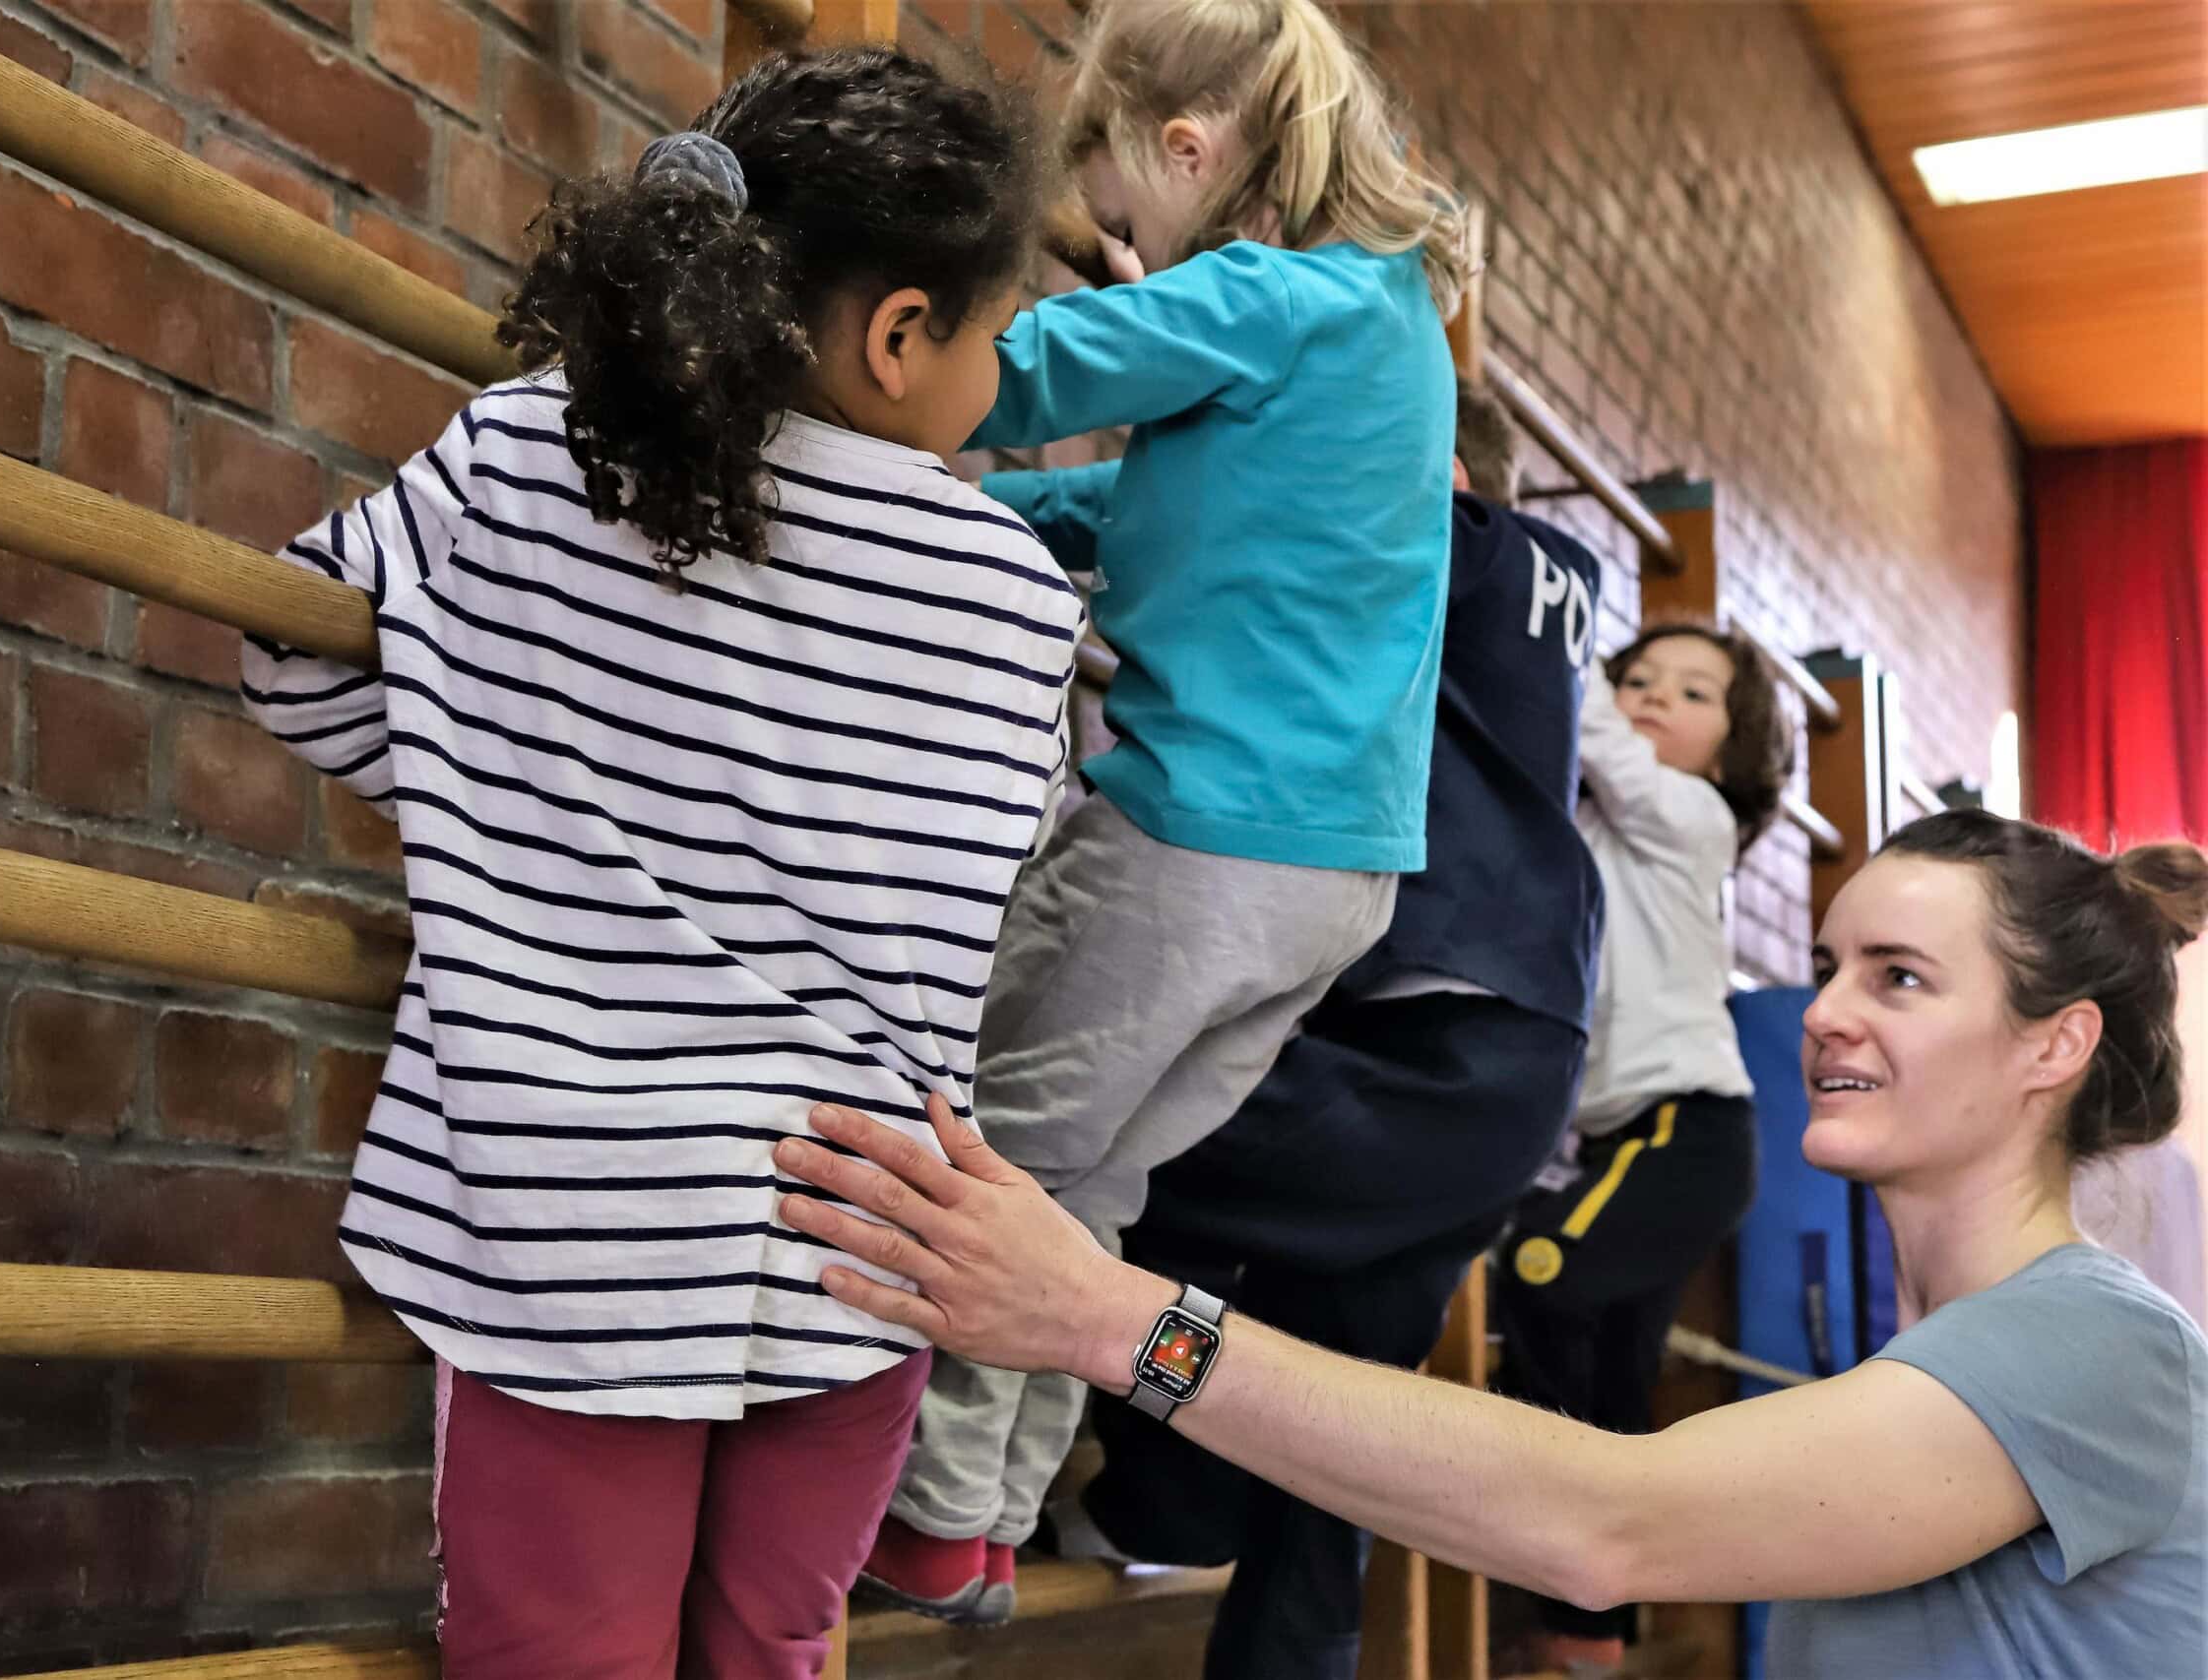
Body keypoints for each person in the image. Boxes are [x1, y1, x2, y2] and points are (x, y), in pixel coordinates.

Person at [240, 49, 1074, 1680]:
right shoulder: (1017, 591)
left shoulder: (527, 454)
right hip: (867, 1244)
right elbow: (1008, 839)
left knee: (564, 1655)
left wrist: (502, 791)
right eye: (1002, 329)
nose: (1005, 364)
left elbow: (294, 656)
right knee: (774, 1645)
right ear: (901, 337)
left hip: (577, 1230)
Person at [780, 811, 2208, 1678]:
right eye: (1830, 962)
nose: (1829, 1008)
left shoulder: (2096, 1341)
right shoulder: (1959, 1359)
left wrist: (1105, 1316)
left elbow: (1606, 1520)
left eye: (1899, 976)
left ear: (2054, 1043)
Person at [863, 0, 1471, 1622]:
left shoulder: (1264, 297)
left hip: (1199, 844)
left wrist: (870, 345)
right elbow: (1161, 502)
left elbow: (1026, 370)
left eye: (1124, 216)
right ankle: (985, 1519)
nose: (1126, 248)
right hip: (1332, 877)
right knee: (1096, 1191)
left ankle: (926, 1519)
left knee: (989, 1150)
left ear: (1190, 153)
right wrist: (1025, 513)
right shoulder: (1386, 320)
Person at [1054, 386, 1608, 1680]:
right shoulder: (1535, 590)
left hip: (1439, 1047)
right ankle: (1186, 1513)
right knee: (1330, 1423)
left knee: (1113, 1146)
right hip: (1500, 1056)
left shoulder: (1458, 538)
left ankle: (1152, 1491)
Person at [1488, 619, 1792, 1672]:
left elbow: (1600, 743)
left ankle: (1529, 1520)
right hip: (1630, 1139)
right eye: (1637, 677)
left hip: (1685, 1132)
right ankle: (1591, 1632)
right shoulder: (1595, 833)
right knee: (1616, 1380)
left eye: (1693, 693)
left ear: (1731, 746)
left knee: (1535, 1272)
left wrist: (1564, 647)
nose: (1654, 695)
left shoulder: (1695, 818)